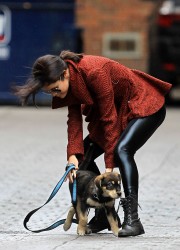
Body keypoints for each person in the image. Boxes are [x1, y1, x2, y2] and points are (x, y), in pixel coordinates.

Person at [13, 51, 172, 237]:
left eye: (55, 89)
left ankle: (133, 220)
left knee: (122, 151)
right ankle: (103, 215)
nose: (55, 94)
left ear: (64, 74)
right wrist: (73, 155)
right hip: (118, 110)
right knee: (83, 159)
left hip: (143, 104)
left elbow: (109, 118)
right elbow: (73, 121)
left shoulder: (95, 72)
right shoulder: (68, 79)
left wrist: (109, 165)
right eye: (50, 92)